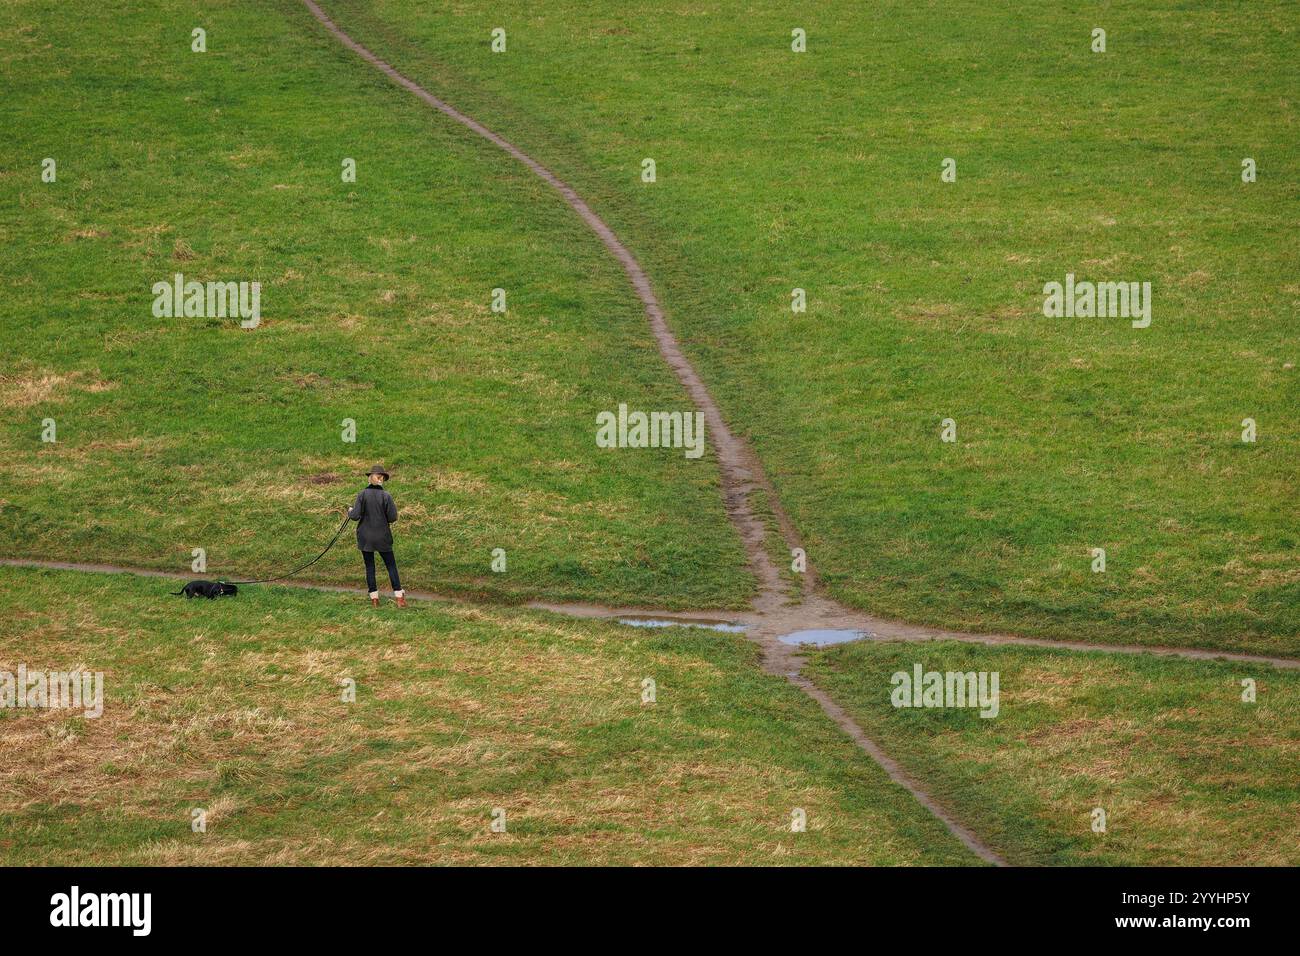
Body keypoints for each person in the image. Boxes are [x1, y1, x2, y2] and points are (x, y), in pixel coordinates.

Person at [347, 465, 405, 608]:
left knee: (370, 567)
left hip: (365, 537)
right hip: (383, 536)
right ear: (382, 479)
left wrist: (349, 511)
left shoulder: (362, 494)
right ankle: (399, 598)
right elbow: (392, 518)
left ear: (370, 477)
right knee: (391, 566)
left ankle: (374, 599)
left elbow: (355, 516)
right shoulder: (386, 496)